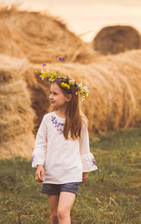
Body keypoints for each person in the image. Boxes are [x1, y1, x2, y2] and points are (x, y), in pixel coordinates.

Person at [32, 65, 97, 224]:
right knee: (54, 216)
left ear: (68, 97)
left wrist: (85, 169)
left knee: (62, 212)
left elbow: (84, 147)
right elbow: (40, 143)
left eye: (55, 93)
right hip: (52, 173)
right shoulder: (47, 119)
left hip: (71, 172)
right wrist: (39, 165)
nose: (50, 96)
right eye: (50, 93)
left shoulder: (80, 121)